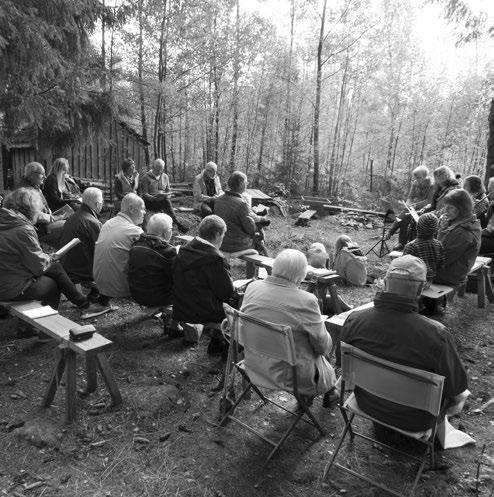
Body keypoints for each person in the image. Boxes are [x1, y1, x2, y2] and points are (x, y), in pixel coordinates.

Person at [340, 255, 468, 431]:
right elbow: (455, 389)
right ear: (420, 290)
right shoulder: (437, 336)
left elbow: (344, 368)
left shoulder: (354, 320)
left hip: (367, 403)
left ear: (385, 283)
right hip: (416, 421)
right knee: (462, 395)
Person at [241, 249, 337, 406]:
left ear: (275, 267)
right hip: (291, 375)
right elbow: (322, 347)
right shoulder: (307, 301)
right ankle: (323, 392)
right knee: (321, 345)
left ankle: (315, 395)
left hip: (255, 364)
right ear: (301, 275)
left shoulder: (253, 287)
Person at [0, 188, 105, 319]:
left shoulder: (6, 221)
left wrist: (46, 258)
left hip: (7, 277)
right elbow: (38, 267)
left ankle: (83, 304)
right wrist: (49, 258)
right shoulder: (22, 229)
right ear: (30, 209)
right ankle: (41, 333)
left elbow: (19, 256)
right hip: (10, 288)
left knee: (54, 268)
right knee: (52, 285)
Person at [172, 215, 234, 351]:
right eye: (223, 234)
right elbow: (226, 293)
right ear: (218, 234)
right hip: (202, 310)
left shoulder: (183, 249)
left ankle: (217, 342)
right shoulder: (215, 259)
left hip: (181, 305)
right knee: (235, 303)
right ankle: (221, 344)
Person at [93, 193, 145, 303]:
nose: (144, 213)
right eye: (142, 209)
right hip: (119, 288)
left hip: (100, 283)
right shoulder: (134, 231)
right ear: (131, 209)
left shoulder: (108, 223)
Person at [59, 187, 104, 302]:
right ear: (98, 204)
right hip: (81, 271)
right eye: (102, 202)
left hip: (66, 265)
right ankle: (97, 295)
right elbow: (100, 251)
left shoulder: (72, 217)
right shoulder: (92, 222)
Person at [128, 213, 176, 308]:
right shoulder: (168, 251)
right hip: (160, 298)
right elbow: (177, 277)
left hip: (136, 294)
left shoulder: (136, 244)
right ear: (166, 232)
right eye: (171, 229)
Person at [435, 189, 481, 288]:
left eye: (450, 207)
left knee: (409, 271)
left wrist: (442, 231)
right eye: (445, 206)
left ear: (462, 209)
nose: (445, 211)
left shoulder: (463, 231)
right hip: (451, 270)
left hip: (449, 276)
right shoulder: (466, 221)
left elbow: (442, 259)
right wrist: (443, 229)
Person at [18, 162, 67, 246]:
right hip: (38, 229)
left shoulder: (34, 185)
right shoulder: (26, 190)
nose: (45, 177)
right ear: (32, 175)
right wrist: (55, 218)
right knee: (68, 225)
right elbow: (35, 215)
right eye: (42, 174)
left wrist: (51, 213)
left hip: (43, 223)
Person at [386, 165, 434, 250]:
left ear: (426, 176)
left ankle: (392, 233)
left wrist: (415, 205)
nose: (417, 180)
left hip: (425, 209)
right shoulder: (415, 183)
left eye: (419, 177)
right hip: (413, 207)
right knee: (404, 218)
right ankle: (401, 243)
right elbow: (410, 197)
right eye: (416, 177)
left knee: (408, 218)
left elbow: (429, 201)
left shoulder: (432, 185)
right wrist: (408, 204)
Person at [139, 158, 188, 233]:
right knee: (165, 202)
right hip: (150, 202)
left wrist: (167, 195)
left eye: (161, 169)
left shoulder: (165, 176)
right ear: (153, 167)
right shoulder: (146, 177)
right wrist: (153, 198)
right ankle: (177, 224)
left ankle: (176, 223)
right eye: (158, 169)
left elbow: (168, 190)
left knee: (166, 200)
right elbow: (145, 194)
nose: (160, 171)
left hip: (161, 201)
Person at [214, 171, 257, 254]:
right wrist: (255, 222)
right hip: (236, 245)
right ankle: (259, 264)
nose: (247, 185)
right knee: (258, 237)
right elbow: (250, 229)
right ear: (241, 184)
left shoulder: (218, 200)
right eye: (246, 182)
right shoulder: (242, 204)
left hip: (219, 242)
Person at [403, 212, 444, 283]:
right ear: (435, 230)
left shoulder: (412, 246)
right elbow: (441, 265)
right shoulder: (439, 245)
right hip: (430, 282)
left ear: (417, 227)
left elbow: (403, 268)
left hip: (414, 283)